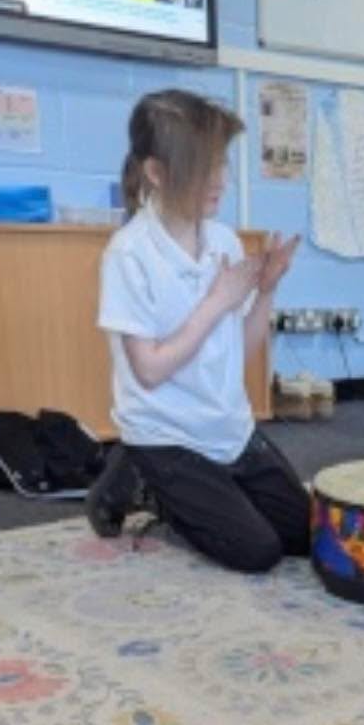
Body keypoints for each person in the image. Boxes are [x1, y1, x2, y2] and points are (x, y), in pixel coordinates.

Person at [86, 89, 308, 573]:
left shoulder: (222, 241)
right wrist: (215, 304)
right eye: (203, 169)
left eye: (222, 165)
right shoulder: (130, 254)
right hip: (166, 436)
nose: (220, 181)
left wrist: (265, 291)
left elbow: (239, 352)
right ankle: (137, 477)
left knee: (303, 536)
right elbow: (148, 372)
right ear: (157, 173)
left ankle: (184, 485)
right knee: (257, 552)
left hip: (227, 427)